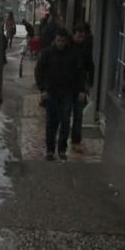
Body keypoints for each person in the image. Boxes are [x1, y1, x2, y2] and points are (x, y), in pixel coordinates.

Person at [35, 28, 87, 161]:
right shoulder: (47, 53)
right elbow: (39, 71)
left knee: (65, 121)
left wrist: (81, 90)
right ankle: (50, 149)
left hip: (67, 92)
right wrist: (43, 89)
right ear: (55, 40)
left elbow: (80, 73)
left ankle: (62, 149)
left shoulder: (73, 55)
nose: (60, 44)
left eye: (63, 41)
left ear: (66, 41)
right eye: (58, 40)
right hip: (51, 92)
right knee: (51, 122)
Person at [69, 24, 95, 154]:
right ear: (73, 35)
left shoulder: (86, 49)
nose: (81, 39)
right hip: (67, 87)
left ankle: (76, 141)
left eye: (83, 37)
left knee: (78, 115)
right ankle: (63, 140)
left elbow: (90, 66)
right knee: (64, 115)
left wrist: (89, 84)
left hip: (80, 88)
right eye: (79, 36)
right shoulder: (67, 48)